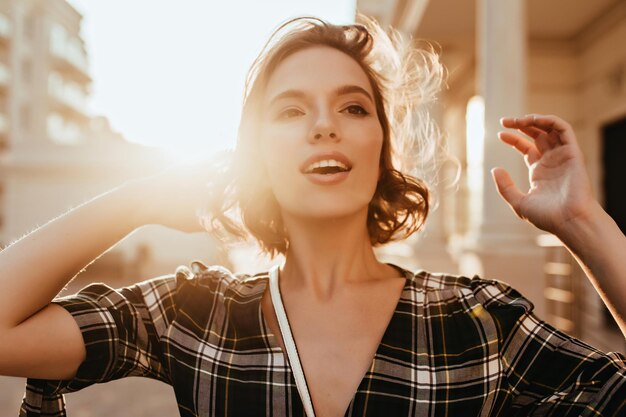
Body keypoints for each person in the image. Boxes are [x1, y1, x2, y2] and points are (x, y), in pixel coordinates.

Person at [1, 16, 625, 417]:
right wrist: (134, 201)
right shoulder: (193, 311)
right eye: (291, 112)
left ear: (381, 149)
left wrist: (582, 224)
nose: (325, 125)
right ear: (258, 156)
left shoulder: (475, 320)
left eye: (353, 109)